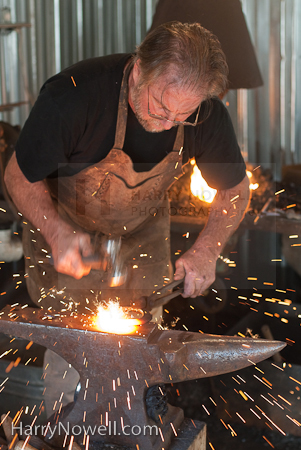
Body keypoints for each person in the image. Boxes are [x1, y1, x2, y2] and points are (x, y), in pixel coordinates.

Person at [4, 21, 250, 413]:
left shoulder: (206, 115)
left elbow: (236, 190)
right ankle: (68, 424)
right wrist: (56, 233)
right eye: (161, 106)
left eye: (182, 116)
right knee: (73, 359)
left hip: (143, 235)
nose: (169, 122)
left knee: (138, 350)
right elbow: (18, 175)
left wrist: (207, 251)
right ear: (138, 70)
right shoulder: (74, 97)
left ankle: (135, 421)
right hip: (65, 229)